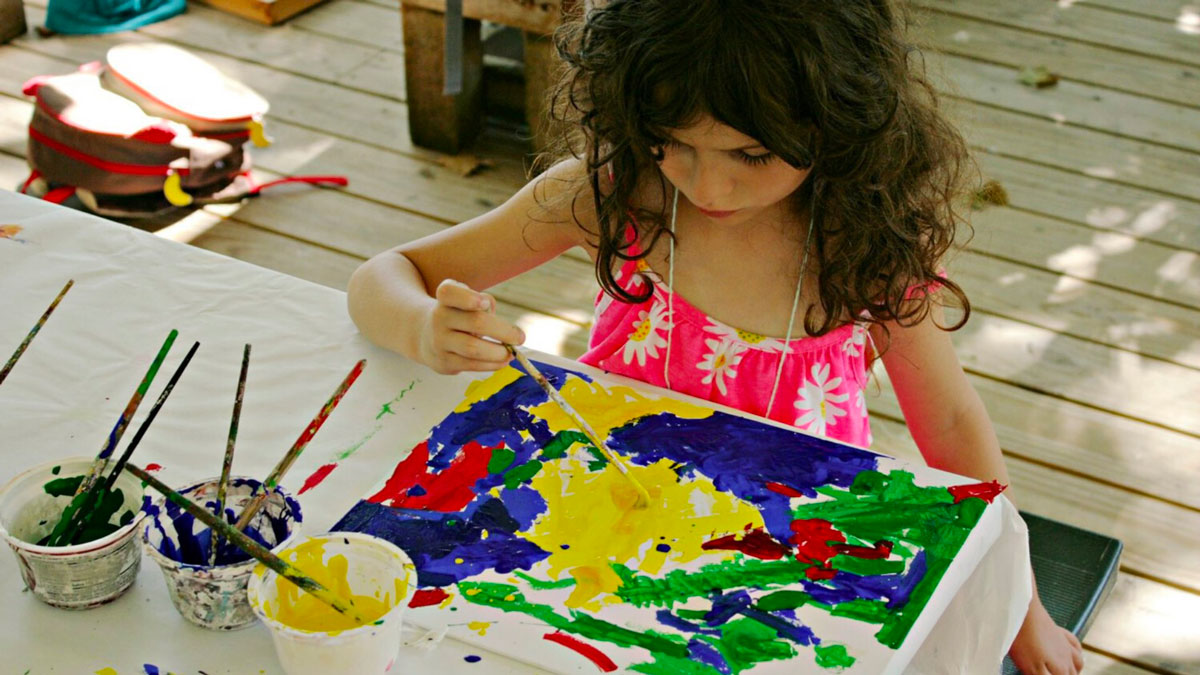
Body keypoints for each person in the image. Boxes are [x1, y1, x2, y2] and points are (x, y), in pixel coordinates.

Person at [347, 1, 1084, 672]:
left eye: (751, 155)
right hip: (595, 534)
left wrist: (1020, 606)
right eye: (671, 143)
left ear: (839, 120)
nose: (707, 188)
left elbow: (949, 421)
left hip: (784, 559)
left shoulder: (867, 245)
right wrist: (421, 324)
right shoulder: (613, 193)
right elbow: (386, 275)